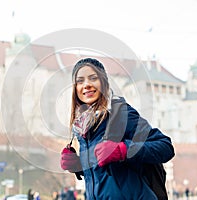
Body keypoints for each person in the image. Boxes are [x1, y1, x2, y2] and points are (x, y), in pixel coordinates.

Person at [60, 58, 175, 199]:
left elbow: (165, 146)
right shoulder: (81, 128)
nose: (87, 85)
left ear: (104, 83)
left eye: (93, 78)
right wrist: (79, 165)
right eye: (80, 81)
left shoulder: (120, 114)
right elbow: (108, 176)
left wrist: (123, 150)